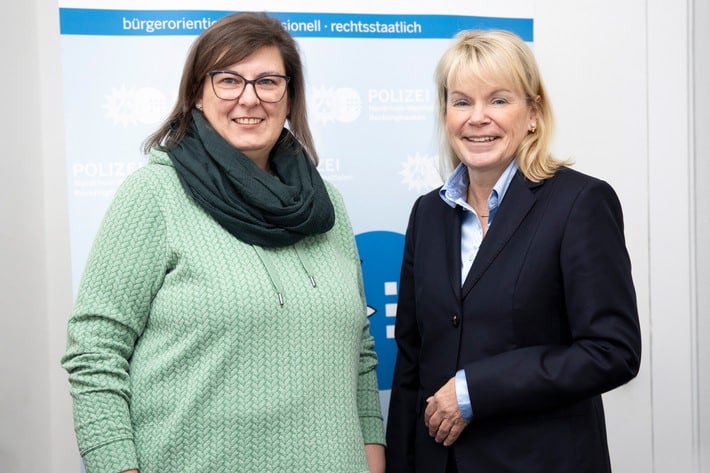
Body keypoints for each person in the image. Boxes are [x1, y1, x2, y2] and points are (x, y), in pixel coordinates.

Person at [61, 12, 385, 473]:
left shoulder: (325, 205)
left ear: (289, 96)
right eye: (228, 80)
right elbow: (95, 351)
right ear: (197, 93)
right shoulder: (154, 195)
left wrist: (372, 459)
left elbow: (360, 354)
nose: (249, 98)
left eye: (268, 81)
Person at [385, 29, 641, 473]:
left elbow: (612, 351)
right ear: (445, 114)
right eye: (461, 102)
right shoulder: (427, 213)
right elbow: (411, 360)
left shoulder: (579, 203)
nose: (477, 118)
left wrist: (474, 390)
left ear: (533, 114)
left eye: (498, 100)